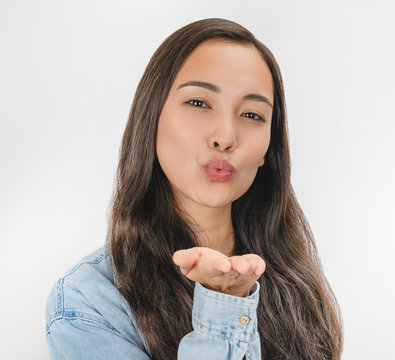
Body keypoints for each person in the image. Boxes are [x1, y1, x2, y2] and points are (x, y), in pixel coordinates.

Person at [45, 17, 343, 360]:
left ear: (267, 151)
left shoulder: (294, 281)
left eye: (252, 115)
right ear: (151, 117)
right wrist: (224, 307)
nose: (226, 137)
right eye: (199, 103)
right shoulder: (89, 302)